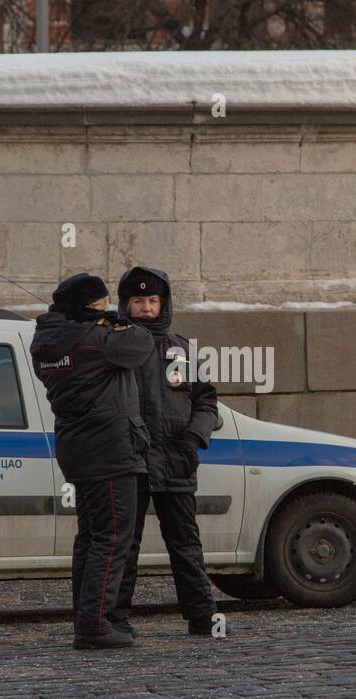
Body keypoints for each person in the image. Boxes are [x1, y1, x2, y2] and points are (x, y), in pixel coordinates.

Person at [30, 272, 154, 650]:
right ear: (89, 309)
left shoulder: (46, 344)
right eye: (102, 307)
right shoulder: (99, 340)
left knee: (90, 537)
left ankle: (87, 617)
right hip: (110, 449)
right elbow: (142, 343)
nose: (108, 312)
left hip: (77, 448)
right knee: (112, 537)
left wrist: (98, 321)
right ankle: (95, 625)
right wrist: (117, 322)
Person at [112, 266, 223, 638]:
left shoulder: (181, 348)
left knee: (186, 543)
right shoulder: (116, 346)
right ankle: (115, 619)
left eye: (153, 301)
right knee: (125, 545)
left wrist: (194, 439)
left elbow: (205, 399)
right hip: (131, 460)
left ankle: (202, 617)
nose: (146, 308)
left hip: (176, 459)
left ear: (164, 304)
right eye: (138, 301)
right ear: (125, 305)